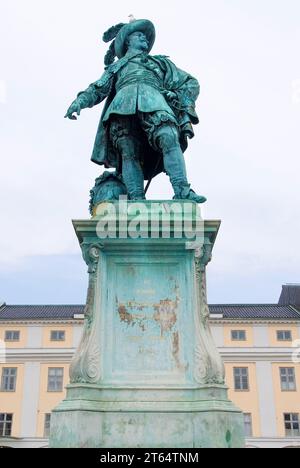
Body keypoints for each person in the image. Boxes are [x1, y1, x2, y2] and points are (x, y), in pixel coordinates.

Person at [65, 18, 206, 203]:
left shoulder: (161, 63)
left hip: (155, 101)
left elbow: (190, 82)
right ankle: (136, 199)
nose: (145, 39)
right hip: (122, 106)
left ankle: (183, 191)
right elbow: (98, 88)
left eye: (145, 36)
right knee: (129, 152)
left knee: (169, 137)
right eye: (139, 35)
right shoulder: (116, 66)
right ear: (127, 41)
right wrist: (79, 102)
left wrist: (177, 96)